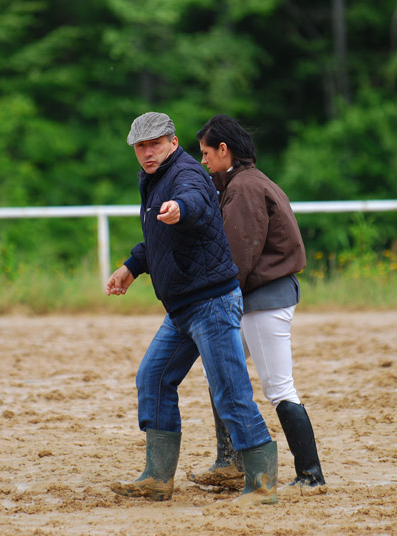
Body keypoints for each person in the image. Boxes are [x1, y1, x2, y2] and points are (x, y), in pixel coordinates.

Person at [105, 111, 278, 504]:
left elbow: (196, 201)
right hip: (183, 307)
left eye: (154, 144)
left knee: (231, 393)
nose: (147, 153)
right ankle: (157, 477)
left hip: (211, 302)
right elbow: (158, 240)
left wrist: (181, 209)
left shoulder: (186, 174)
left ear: (172, 141)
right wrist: (132, 267)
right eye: (140, 146)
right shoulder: (152, 180)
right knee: (153, 377)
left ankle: (263, 485)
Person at [188, 114, 326, 495]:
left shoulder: (245, 188)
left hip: (264, 301)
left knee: (279, 388)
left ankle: (311, 474)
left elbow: (239, 255)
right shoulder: (246, 180)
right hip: (261, 297)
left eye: (205, 153)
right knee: (220, 371)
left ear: (223, 150)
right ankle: (230, 463)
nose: (202, 161)